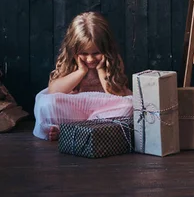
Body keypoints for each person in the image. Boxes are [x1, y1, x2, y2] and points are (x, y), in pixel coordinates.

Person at [33, 11, 132, 141]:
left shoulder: (113, 60)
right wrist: (81, 71)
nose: (90, 59)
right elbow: (53, 90)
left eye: (96, 53)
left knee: (129, 107)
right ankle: (82, 131)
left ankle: (71, 131)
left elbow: (116, 92)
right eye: (84, 53)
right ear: (73, 50)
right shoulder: (70, 61)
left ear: (106, 49)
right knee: (47, 103)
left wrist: (101, 69)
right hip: (75, 109)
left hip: (104, 109)